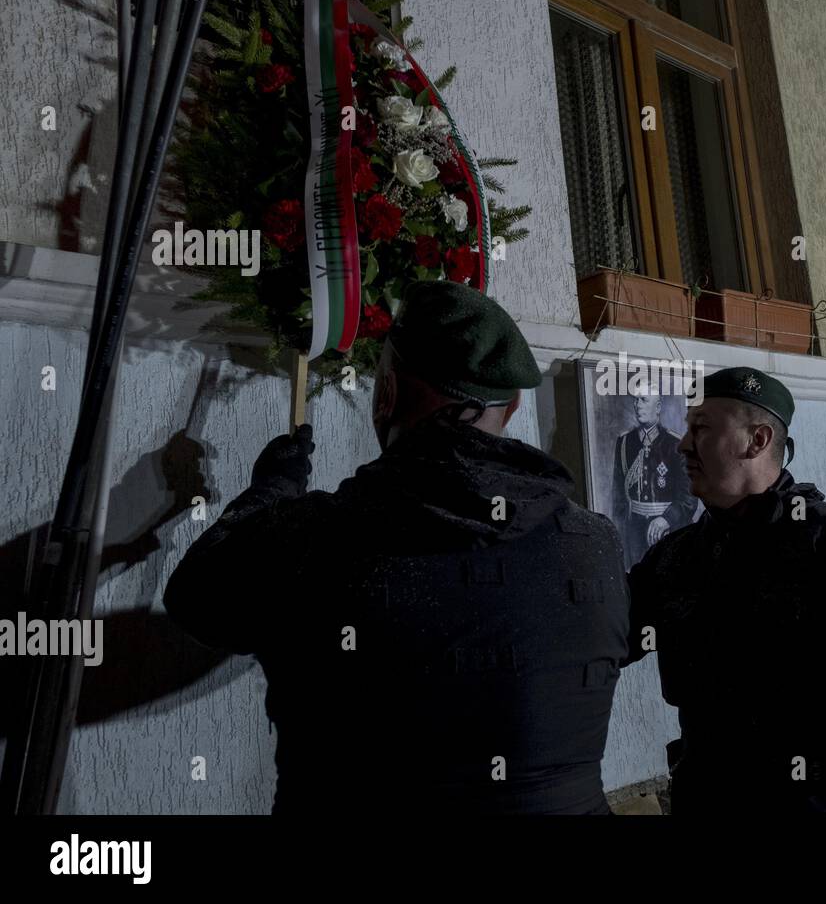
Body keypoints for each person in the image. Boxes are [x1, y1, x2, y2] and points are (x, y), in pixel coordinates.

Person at [164, 281, 629, 814]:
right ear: (516, 403)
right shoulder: (598, 543)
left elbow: (196, 601)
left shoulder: (313, 535)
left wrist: (271, 491)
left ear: (385, 394)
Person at [624, 367, 826, 814]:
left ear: (758, 441)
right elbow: (606, 636)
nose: (683, 443)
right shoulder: (679, 556)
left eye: (702, 428)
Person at [609, 393, 697, 568]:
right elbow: (619, 496)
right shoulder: (624, 442)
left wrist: (666, 519)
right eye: (636, 400)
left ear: (657, 407)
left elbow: (689, 496)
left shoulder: (676, 444)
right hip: (634, 533)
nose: (637, 405)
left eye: (644, 400)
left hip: (670, 530)